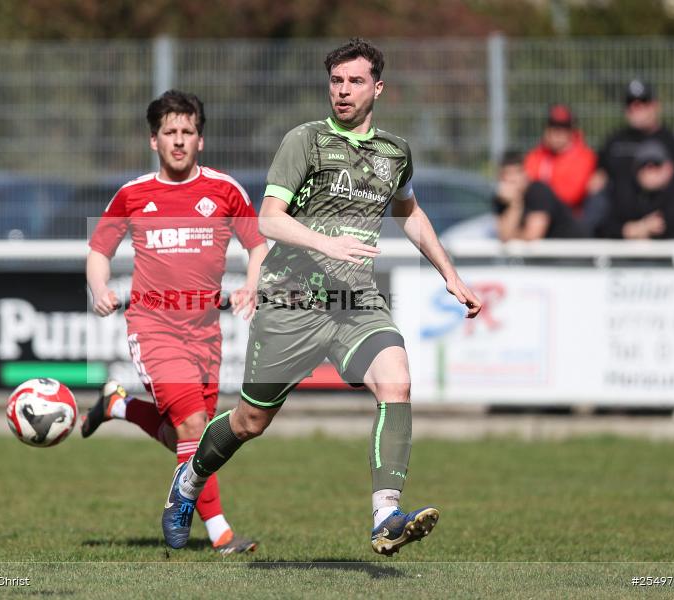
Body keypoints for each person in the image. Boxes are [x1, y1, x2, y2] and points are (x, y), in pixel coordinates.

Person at [160, 38, 482, 556]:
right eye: (336, 81)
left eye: (355, 81)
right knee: (249, 421)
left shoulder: (395, 152)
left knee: (395, 380)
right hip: (291, 301)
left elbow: (410, 212)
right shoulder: (305, 141)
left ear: (378, 87)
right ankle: (188, 482)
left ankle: (385, 516)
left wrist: (450, 273)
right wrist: (325, 241)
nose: (343, 91)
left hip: (355, 302)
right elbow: (269, 217)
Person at [85, 90, 269, 554]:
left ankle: (118, 406)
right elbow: (98, 251)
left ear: (200, 141)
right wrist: (100, 289)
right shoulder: (133, 194)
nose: (180, 141)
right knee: (194, 423)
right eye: (170, 132)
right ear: (154, 140)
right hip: (152, 326)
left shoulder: (225, 190)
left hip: (205, 330)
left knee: (190, 434)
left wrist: (251, 285)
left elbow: (258, 247)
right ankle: (218, 531)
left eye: (188, 132)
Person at [590, 79, 674, 207]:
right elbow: (597, 180)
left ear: (655, 105)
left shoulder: (668, 140)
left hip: (658, 219)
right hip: (619, 220)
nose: (636, 108)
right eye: (630, 102)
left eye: (643, 102)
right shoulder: (615, 141)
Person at [598, 140, 674, 240]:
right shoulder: (625, 192)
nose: (649, 170)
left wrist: (640, 230)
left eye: (656, 164)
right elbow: (604, 226)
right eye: (643, 164)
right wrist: (635, 229)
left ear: (669, 168)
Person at [494, 150, 587, 241]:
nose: (512, 179)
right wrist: (514, 205)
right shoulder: (503, 198)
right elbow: (504, 236)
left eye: (517, 172)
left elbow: (532, 236)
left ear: (526, 173)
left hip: (575, 250)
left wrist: (511, 234)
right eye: (507, 174)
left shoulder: (539, 191)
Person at [523, 104, 596, 214]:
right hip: (537, 214)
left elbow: (570, 195)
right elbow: (524, 184)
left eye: (563, 128)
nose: (557, 133)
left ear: (571, 130)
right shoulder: (536, 155)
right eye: (553, 126)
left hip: (569, 217)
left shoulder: (585, 157)